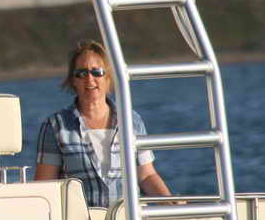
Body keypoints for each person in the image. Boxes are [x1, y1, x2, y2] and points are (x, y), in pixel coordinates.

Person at [34, 39, 173, 208]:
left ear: (108, 77)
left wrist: (172, 203)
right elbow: (45, 186)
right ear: (73, 80)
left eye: (97, 72)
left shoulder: (131, 121)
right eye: (81, 73)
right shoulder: (55, 126)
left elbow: (146, 176)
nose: (89, 78)